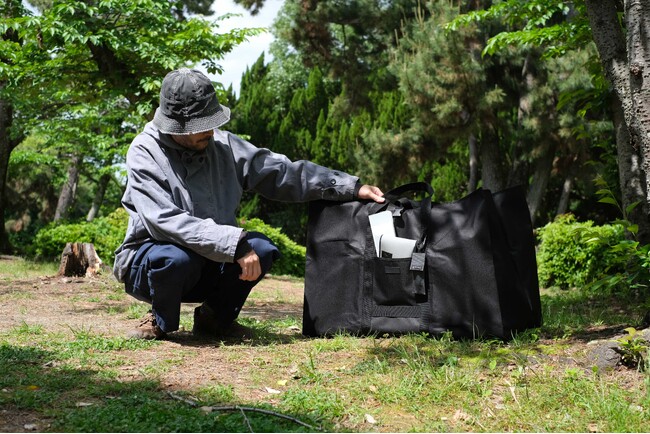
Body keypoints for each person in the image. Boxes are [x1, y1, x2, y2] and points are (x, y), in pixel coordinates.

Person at [112, 68, 385, 340]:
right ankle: (159, 319)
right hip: (152, 261)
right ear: (176, 126)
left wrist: (348, 187)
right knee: (175, 258)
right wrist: (234, 243)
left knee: (262, 249)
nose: (210, 130)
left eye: (212, 121)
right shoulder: (144, 151)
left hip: (209, 261)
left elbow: (283, 172)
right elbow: (163, 220)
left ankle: (214, 320)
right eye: (201, 125)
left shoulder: (224, 145)